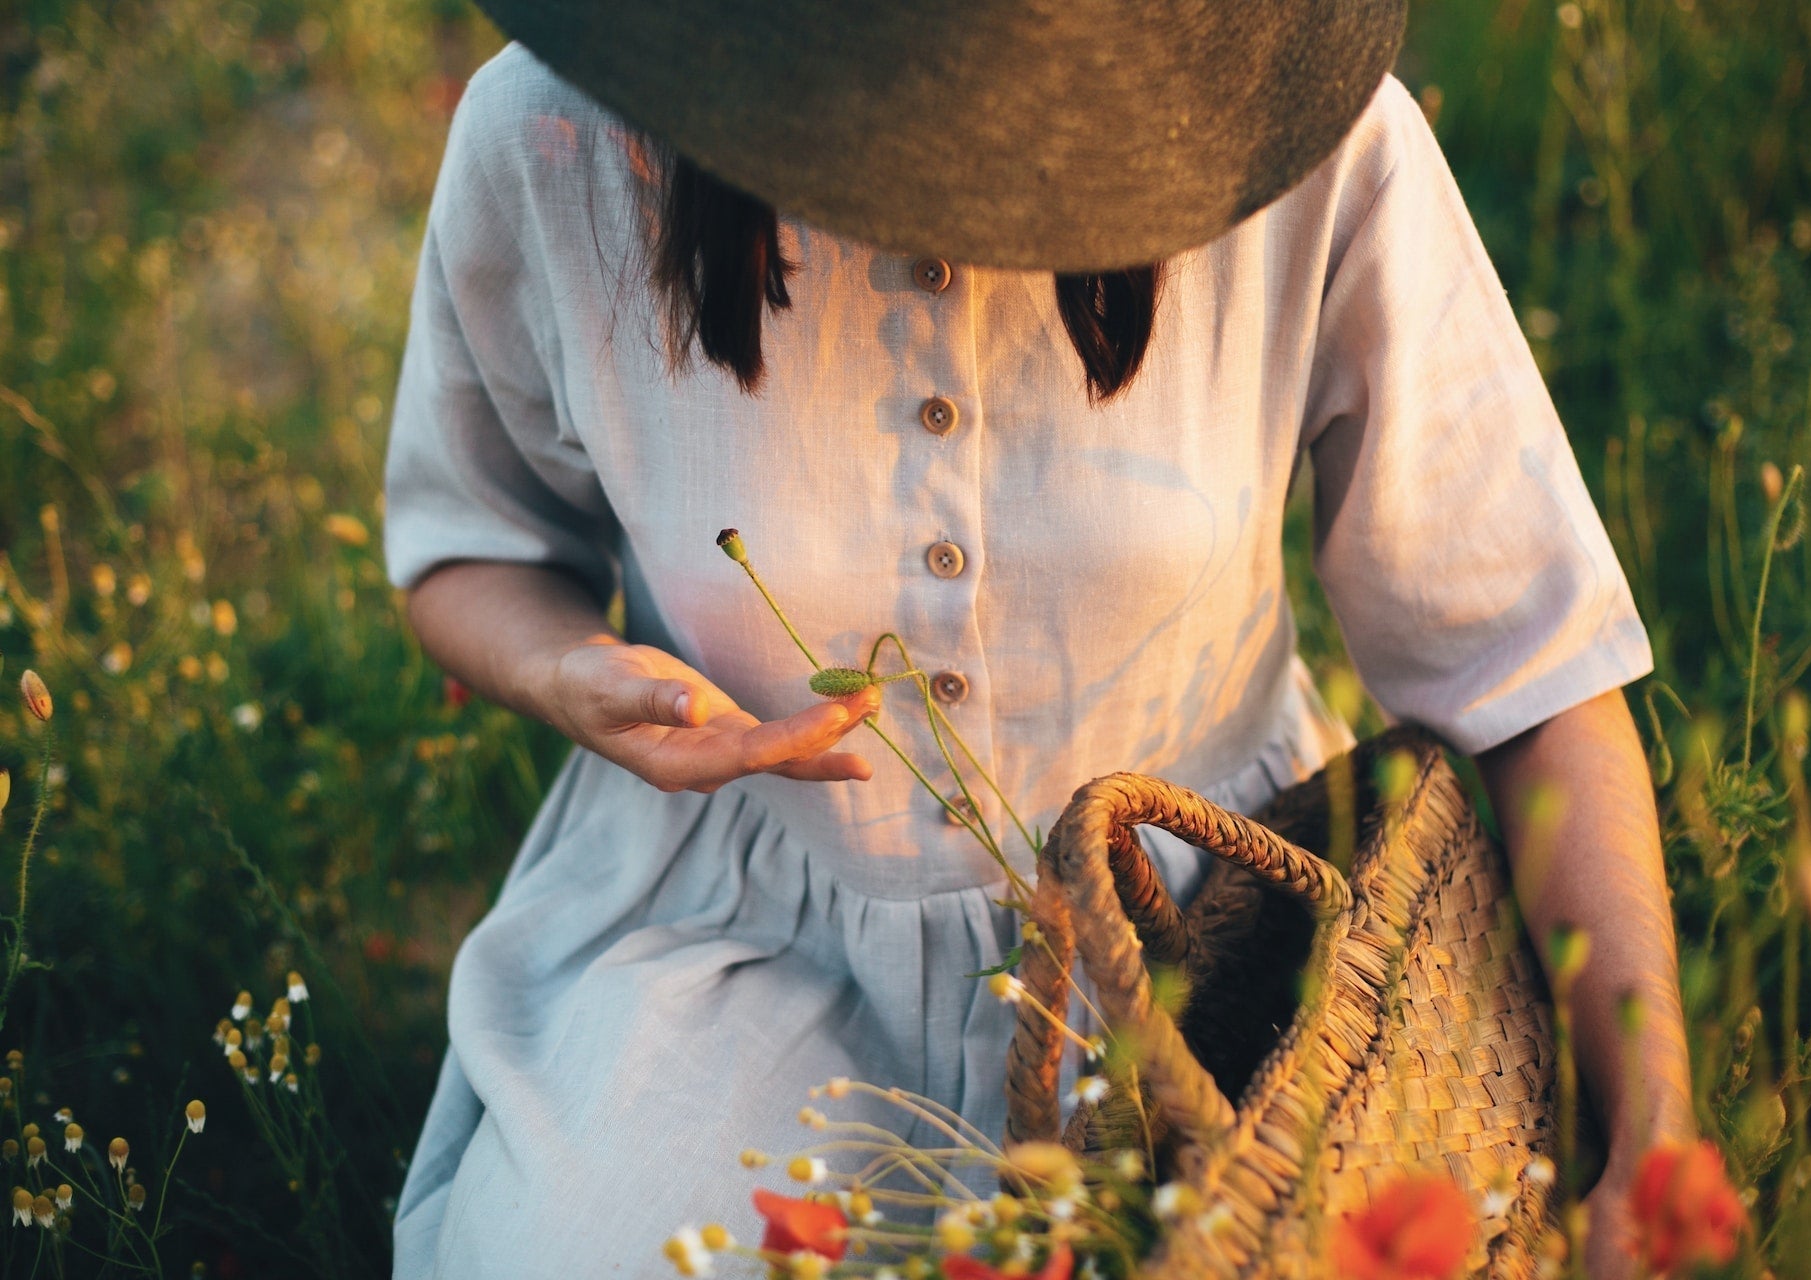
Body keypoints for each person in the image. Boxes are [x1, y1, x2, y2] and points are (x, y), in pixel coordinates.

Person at [382, 3, 1692, 1275]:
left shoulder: (1299, 143)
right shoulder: (551, 141)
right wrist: (574, 673)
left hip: (1212, 950)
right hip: (751, 940)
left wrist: (1651, 1128)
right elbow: (468, 546)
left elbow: (1530, 676)